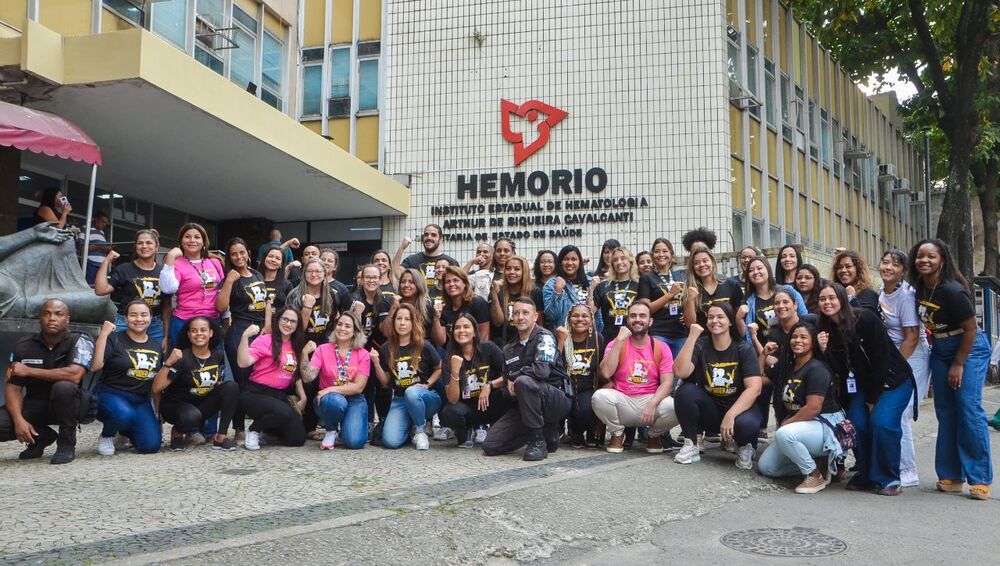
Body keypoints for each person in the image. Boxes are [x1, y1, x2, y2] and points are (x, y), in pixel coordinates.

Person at [908, 239, 993, 500]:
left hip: (968, 348)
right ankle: (951, 474)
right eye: (920, 256)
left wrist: (958, 364)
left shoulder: (953, 290)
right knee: (945, 411)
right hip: (941, 349)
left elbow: (971, 330)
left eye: (931, 257)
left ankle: (979, 478)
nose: (924, 261)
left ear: (942, 260)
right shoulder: (920, 287)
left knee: (968, 407)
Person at [817, 282, 914, 495]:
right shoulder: (827, 329)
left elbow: (881, 360)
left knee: (882, 423)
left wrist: (872, 398)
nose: (827, 302)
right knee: (855, 423)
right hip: (863, 385)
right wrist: (824, 349)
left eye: (832, 297)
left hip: (893, 381)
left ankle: (889, 478)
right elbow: (838, 369)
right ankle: (868, 474)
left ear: (842, 299)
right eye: (823, 299)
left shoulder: (865, 318)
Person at [0, 299, 94, 464]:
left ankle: (66, 442)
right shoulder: (24, 346)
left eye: (58, 314)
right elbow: (13, 387)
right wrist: (18, 421)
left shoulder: (80, 340)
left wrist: (29, 370)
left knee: (63, 387)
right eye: (46, 314)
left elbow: (74, 375)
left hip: (71, 403)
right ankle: (41, 437)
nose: (52, 318)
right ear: (40, 318)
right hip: (36, 403)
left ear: (67, 319)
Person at [757, 322, 846, 494]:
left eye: (804, 337)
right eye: (794, 337)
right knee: (767, 467)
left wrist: (787, 423)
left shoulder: (817, 369)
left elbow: (813, 407)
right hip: (802, 427)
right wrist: (763, 355)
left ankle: (814, 475)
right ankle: (819, 464)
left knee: (784, 433)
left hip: (825, 425)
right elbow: (758, 381)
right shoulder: (786, 366)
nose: (798, 340)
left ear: (813, 342)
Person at [672, 303, 762, 468]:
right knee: (685, 391)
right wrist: (692, 338)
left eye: (720, 317)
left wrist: (731, 415)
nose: (715, 321)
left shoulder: (743, 348)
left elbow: (754, 388)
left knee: (746, 425)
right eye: (711, 317)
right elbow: (680, 372)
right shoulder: (701, 344)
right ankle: (691, 444)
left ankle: (744, 446)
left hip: (739, 408)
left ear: (730, 322)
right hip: (712, 410)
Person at [482, 298, 572, 460]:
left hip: (555, 400)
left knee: (523, 382)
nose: (520, 317)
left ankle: (537, 441)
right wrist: (510, 386)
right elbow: (506, 389)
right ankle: (544, 431)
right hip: (526, 405)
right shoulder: (508, 349)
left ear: (535, 316)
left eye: (525, 313)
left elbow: (542, 371)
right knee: (491, 446)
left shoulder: (545, 337)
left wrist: (515, 377)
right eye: (516, 313)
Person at [592, 300, 676, 454]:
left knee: (676, 406)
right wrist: (619, 341)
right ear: (627, 320)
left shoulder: (661, 347)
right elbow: (605, 373)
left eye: (642, 316)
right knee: (599, 397)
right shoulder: (616, 343)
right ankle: (617, 434)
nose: (637, 319)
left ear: (650, 321)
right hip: (623, 399)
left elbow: (667, 382)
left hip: (649, 400)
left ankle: (654, 436)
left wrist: (652, 403)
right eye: (633, 316)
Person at [878, 250, 931, 488]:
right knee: (889, 412)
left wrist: (893, 368)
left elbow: (911, 337)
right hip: (893, 356)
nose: (888, 267)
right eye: (885, 262)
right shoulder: (881, 292)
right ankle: (890, 464)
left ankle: (908, 470)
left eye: (895, 264)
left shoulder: (907, 296)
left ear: (903, 270)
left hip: (912, 356)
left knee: (901, 412)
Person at [153, 316, 238, 451]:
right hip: (176, 406)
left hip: (200, 404)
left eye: (203, 330)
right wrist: (168, 363)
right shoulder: (181, 357)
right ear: (188, 334)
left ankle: (221, 437)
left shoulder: (218, 355)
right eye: (194, 331)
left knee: (231, 387)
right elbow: (157, 388)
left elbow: (217, 381)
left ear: (211, 333)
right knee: (192, 415)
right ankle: (177, 432)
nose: (199, 334)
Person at [91, 301, 162, 455]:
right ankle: (107, 435)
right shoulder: (114, 339)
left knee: (150, 446)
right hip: (111, 394)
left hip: (140, 399)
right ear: (125, 318)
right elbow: (96, 366)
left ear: (150, 318)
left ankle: (125, 430)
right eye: (133, 315)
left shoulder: (156, 346)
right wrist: (103, 334)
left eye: (144, 315)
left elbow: (157, 382)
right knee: (123, 414)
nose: (139, 319)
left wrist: (157, 411)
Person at [216, 237, 268, 438]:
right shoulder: (230, 277)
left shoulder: (257, 274)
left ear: (248, 253)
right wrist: (229, 280)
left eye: (242, 252)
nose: (238, 257)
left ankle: (259, 423)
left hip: (260, 331)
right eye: (234, 254)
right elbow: (220, 307)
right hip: (239, 331)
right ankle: (238, 427)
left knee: (258, 379)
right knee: (241, 381)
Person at [371, 303, 442, 449]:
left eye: (407, 319)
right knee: (391, 441)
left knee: (412, 391)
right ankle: (410, 427)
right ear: (393, 321)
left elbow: (439, 368)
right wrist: (376, 363)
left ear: (413, 322)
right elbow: (385, 382)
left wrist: (427, 384)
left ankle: (420, 431)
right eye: (399, 319)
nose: (402, 323)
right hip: (400, 400)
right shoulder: (387, 348)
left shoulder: (424, 345)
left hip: (425, 397)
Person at [237, 307, 308, 450]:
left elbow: (295, 374)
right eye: (285, 319)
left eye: (293, 321)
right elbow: (243, 362)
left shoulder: (296, 345)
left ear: (297, 325)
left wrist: (303, 396)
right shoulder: (264, 340)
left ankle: (269, 429)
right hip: (256, 394)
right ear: (278, 320)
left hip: (279, 396)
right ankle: (254, 430)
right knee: (284, 412)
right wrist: (244, 337)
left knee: (297, 438)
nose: (288, 324)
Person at [301, 312, 371, 450]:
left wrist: (329, 389)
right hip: (329, 400)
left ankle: (345, 429)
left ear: (355, 331)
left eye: (347, 326)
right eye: (339, 324)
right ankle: (331, 430)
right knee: (334, 401)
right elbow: (308, 377)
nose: (342, 328)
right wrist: (304, 353)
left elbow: (358, 387)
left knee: (354, 442)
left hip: (353, 398)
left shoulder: (363, 354)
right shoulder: (323, 349)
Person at [440, 314, 510, 447]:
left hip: (490, 403)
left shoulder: (488, 348)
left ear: (474, 332)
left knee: (508, 395)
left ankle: (501, 429)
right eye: (457, 328)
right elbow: (453, 399)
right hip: (467, 408)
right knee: (449, 411)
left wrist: (489, 385)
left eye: (466, 327)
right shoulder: (449, 357)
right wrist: (455, 372)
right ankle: (465, 432)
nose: (461, 331)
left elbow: (509, 374)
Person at [94, 229, 169, 349]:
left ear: (156, 247)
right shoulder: (124, 269)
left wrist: (166, 335)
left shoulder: (163, 272)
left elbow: (166, 305)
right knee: (120, 358)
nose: (144, 246)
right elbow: (100, 290)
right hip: (126, 322)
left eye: (149, 243)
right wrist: (107, 261)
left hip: (154, 325)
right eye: (140, 243)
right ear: (136, 247)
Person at [159, 223, 225, 347]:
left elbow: (223, 292)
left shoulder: (215, 262)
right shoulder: (177, 264)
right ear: (181, 241)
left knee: (212, 364)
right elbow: (168, 289)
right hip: (185, 323)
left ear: (203, 241)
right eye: (187, 237)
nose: (192, 240)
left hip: (211, 322)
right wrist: (171, 256)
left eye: (197, 237)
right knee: (185, 363)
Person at [354, 264, 393, 439]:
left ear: (380, 279)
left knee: (383, 385)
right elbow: (348, 330)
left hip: (377, 347)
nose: (371, 280)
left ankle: (384, 420)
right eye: (367, 277)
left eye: (374, 277)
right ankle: (368, 421)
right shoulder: (353, 298)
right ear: (361, 279)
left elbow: (386, 331)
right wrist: (356, 314)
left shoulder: (383, 300)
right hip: (357, 348)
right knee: (366, 386)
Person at [557, 304, 603, 448]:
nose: (580, 319)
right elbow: (554, 365)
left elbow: (601, 367)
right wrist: (560, 342)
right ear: (569, 318)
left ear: (591, 320)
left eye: (584, 316)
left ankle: (578, 431)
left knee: (586, 409)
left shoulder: (597, 338)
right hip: (564, 385)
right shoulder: (561, 336)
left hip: (588, 386)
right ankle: (564, 430)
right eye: (575, 315)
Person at [639, 238, 687, 358]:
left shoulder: (681, 276)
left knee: (679, 374)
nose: (661, 255)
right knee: (660, 372)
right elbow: (645, 309)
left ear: (671, 254)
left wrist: (687, 313)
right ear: (652, 255)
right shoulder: (646, 278)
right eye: (657, 251)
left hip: (681, 332)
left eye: (665, 251)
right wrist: (669, 295)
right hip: (659, 332)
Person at [683, 246, 743, 328]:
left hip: (729, 337)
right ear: (693, 267)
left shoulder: (731, 285)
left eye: (705, 261)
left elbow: (740, 317)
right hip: (703, 338)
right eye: (696, 263)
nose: (701, 265)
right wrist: (690, 300)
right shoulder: (690, 289)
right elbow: (690, 324)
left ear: (712, 262)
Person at [432, 266, 490, 347]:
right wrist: (436, 318)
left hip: (475, 352)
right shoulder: (443, 308)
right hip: (451, 353)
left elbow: (483, 336)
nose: (452, 284)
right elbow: (440, 342)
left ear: (465, 284)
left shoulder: (478, 303)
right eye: (448, 282)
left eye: (456, 280)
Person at [543, 245, 595, 331]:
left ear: (579, 262)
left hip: (587, 336)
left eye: (574, 259)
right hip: (563, 337)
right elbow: (552, 315)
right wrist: (557, 291)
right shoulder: (551, 285)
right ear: (560, 262)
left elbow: (596, 315)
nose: (570, 263)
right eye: (566, 259)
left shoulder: (590, 282)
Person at [286, 258, 337, 346]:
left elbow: (332, 321)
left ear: (324, 274)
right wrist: (307, 308)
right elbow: (294, 328)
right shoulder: (294, 295)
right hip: (300, 345)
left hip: (324, 346)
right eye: (309, 271)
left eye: (318, 271)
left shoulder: (330, 293)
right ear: (304, 274)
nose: (314, 274)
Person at [594, 246, 640, 342]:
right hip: (609, 337)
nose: (619, 262)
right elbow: (591, 311)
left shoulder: (639, 285)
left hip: (633, 337)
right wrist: (591, 289)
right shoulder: (603, 286)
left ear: (630, 262)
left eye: (623, 258)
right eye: (615, 260)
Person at [395, 224, 460, 288]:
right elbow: (396, 274)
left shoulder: (451, 262)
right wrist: (402, 247)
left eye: (433, 235)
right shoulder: (412, 260)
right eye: (426, 235)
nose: (429, 237)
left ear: (440, 240)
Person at [489, 255, 534, 345]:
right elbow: (498, 322)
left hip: (528, 342)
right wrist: (494, 294)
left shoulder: (534, 292)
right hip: (504, 343)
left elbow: (538, 322)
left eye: (517, 269)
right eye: (508, 269)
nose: (511, 272)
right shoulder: (498, 291)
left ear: (524, 271)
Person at [395, 268, 434, 336]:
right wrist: (393, 308)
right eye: (403, 281)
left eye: (411, 282)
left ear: (419, 285)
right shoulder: (394, 303)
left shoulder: (428, 307)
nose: (406, 285)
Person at [78, 211, 112, 285]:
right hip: (91, 264)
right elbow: (81, 247)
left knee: (100, 286)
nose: (104, 224)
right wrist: (100, 247)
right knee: (89, 287)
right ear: (96, 220)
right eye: (102, 221)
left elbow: (102, 248)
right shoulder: (86, 228)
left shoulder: (102, 232)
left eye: (106, 223)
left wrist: (108, 249)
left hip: (102, 266)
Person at [319, 248, 355, 314]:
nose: (325, 262)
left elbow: (346, 312)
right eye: (323, 260)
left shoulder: (342, 288)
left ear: (335, 266)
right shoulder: (311, 283)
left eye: (330, 261)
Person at [260, 245, 294, 311]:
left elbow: (290, 309)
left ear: (281, 264)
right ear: (264, 259)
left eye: (277, 258)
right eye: (270, 256)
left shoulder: (287, 285)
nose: (273, 260)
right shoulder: (253, 280)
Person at [530, 249, 557, 322]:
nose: (546, 265)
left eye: (550, 262)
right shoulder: (533, 286)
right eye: (542, 262)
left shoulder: (559, 284)